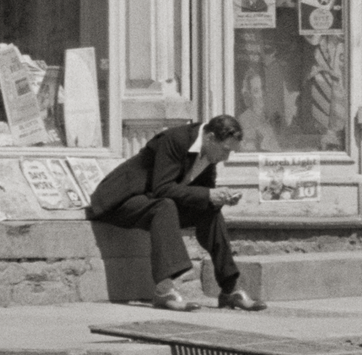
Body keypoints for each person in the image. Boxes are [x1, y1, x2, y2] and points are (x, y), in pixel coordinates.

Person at [87, 116, 267, 312]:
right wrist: (207, 194)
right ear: (210, 138)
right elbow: (162, 188)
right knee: (164, 206)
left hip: (152, 201)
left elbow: (200, 193)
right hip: (120, 199)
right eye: (225, 150)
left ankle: (230, 289)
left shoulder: (209, 152)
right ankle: (164, 291)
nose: (226, 158)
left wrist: (218, 197)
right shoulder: (175, 140)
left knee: (209, 209)